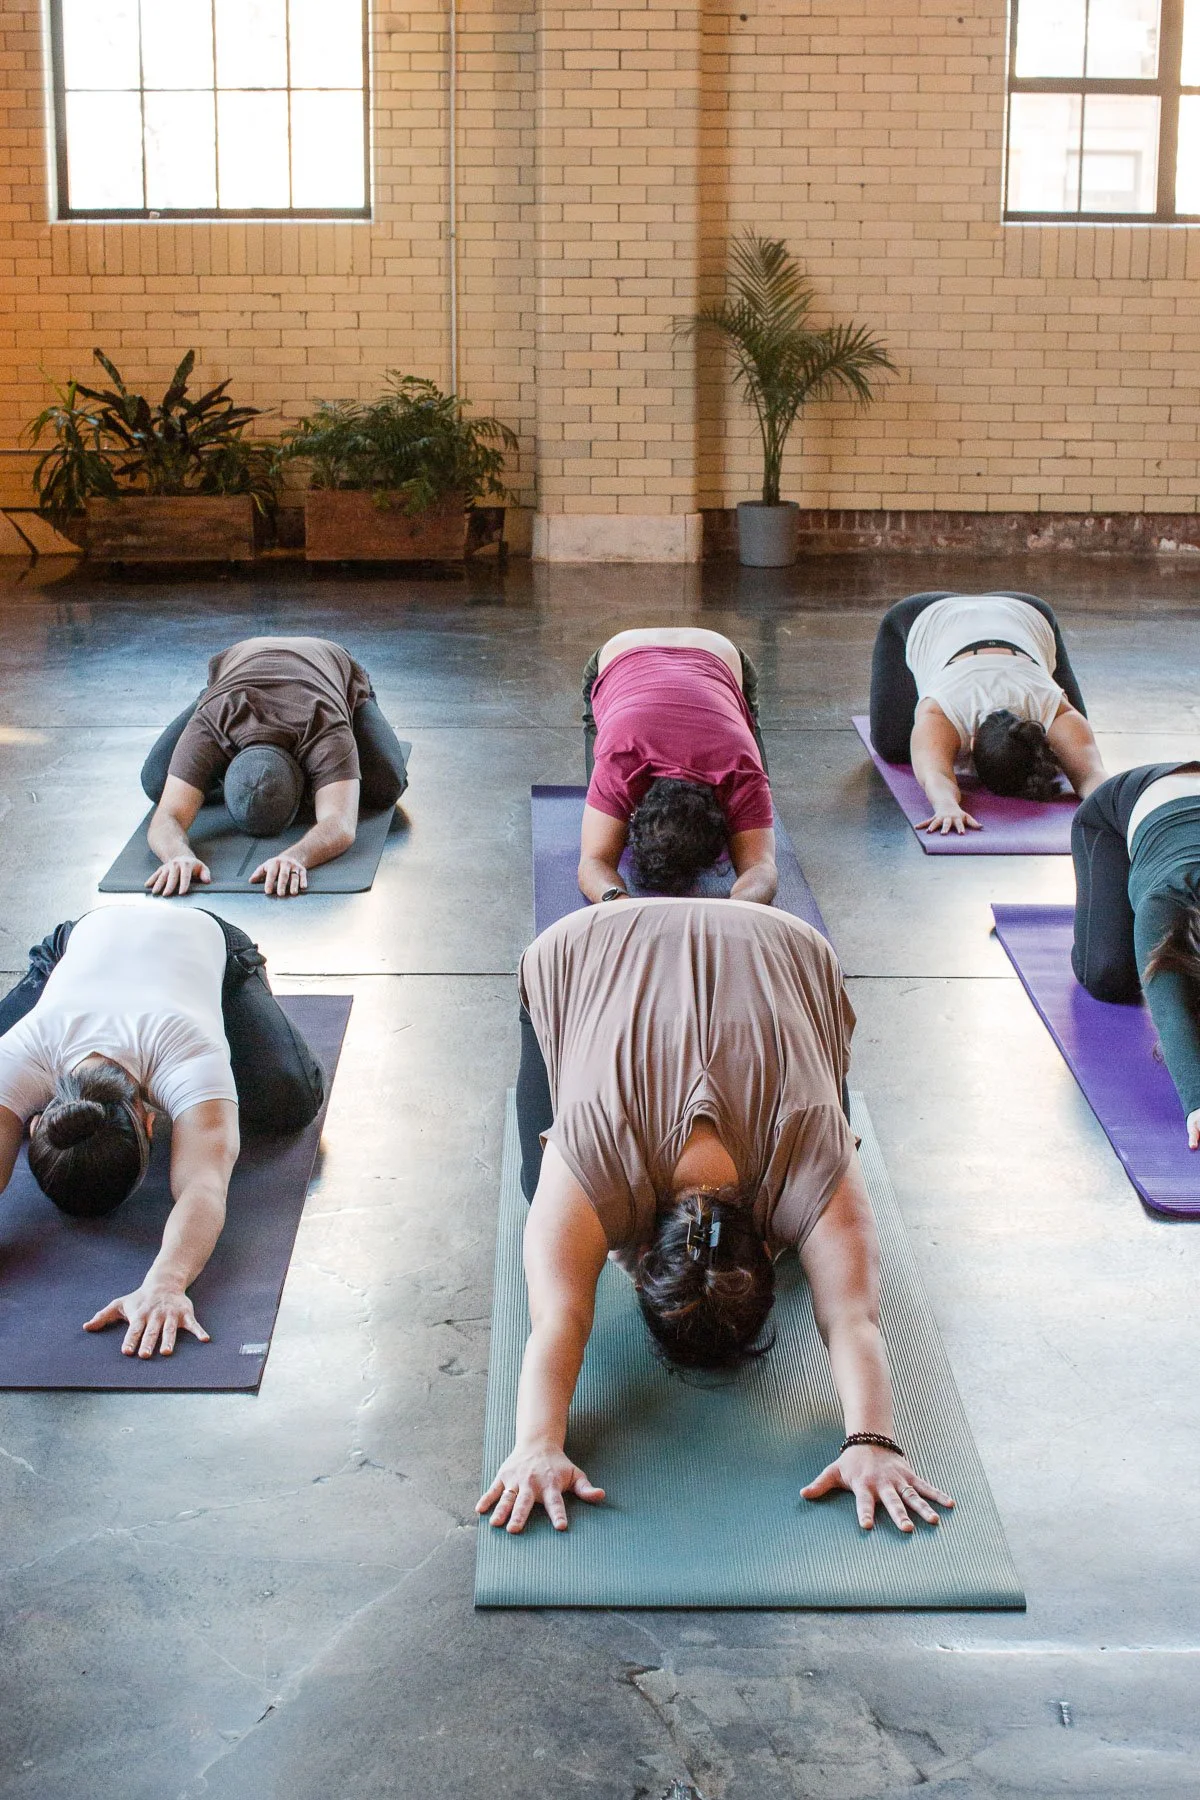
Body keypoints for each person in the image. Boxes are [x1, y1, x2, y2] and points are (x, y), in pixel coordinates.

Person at [477, 896, 954, 1535]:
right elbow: (850, 1315)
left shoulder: (809, 1151)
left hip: (773, 945)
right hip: (639, 945)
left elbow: (854, 1316)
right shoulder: (599, 1160)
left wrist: (873, 1438)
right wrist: (534, 1442)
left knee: (547, 1194)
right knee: (540, 1180)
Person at [0, 905, 325, 1356]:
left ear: (153, 1123)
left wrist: (167, 1283)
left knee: (290, 1101)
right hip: (88, 938)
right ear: (35, 1125)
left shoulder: (187, 1050)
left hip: (201, 937)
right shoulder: (14, 1058)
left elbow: (203, 1186)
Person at [141, 636, 410, 898]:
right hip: (237, 669)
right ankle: (213, 692)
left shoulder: (324, 727)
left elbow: (340, 824)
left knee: (386, 786)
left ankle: (353, 703)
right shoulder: (211, 725)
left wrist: (296, 857)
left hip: (329, 662)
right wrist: (177, 856)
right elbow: (167, 816)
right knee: (156, 781)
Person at [868, 591, 1107, 835]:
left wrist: (1114, 806)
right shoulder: (941, 712)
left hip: (1025, 612)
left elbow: (1092, 777)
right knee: (893, 745)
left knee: (1072, 749)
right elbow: (935, 775)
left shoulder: (1052, 708)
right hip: (920, 616)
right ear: (970, 744)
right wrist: (945, 806)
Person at [578, 627, 778, 903]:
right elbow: (592, 863)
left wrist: (736, 909)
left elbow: (763, 869)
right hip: (621, 657)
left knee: (757, 795)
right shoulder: (620, 759)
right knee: (607, 823)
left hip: (717, 659)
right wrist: (618, 902)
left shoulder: (740, 769)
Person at [1072, 762, 1200, 1148]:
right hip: (1114, 813)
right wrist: (1196, 1101)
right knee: (1110, 976)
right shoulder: (1168, 898)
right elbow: (1169, 1013)